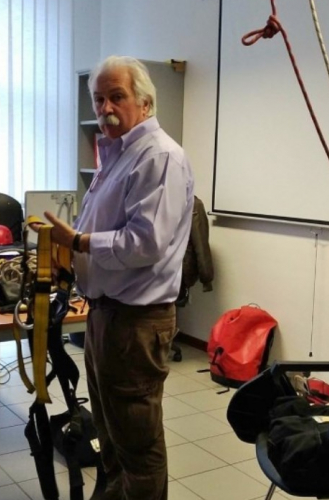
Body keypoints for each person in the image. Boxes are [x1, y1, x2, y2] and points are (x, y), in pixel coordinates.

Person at [41, 55, 194, 500]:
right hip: (106, 315)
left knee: (137, 450)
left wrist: (79, 241)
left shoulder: (159, 156)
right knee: (110, 440)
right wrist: (68, 252)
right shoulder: (116, 153)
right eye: (99, 99)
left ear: (144, 103)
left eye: (117, 96)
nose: (105, 108)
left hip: (135, 322)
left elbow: (145, 243)